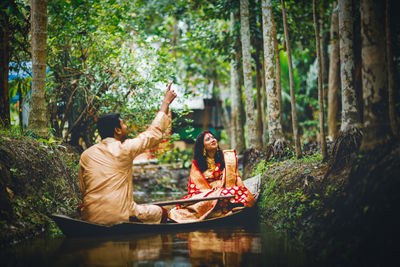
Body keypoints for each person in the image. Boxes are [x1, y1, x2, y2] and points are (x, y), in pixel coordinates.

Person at [78, 82, 177, 225]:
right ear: (117, 130)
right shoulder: (125, 148)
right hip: (119, 216)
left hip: (90, 216)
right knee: (161, 212)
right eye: (123, 124)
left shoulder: (86, 154)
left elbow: (83, 189)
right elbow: (153, 133)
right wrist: (165, 103)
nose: (126, 127)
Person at [168, 131, 255, 223]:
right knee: (188, 201)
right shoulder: (198, 164)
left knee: (235, 192)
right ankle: (212, 211)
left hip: (226, 193)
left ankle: (221, 208)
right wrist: (211, 189)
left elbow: (236, 177)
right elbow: (194, 188)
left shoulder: (227, 158)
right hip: (206, 195)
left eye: (213, 137)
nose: (212, 140)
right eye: (208, 139)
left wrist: (243, 191)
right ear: (203, 146)